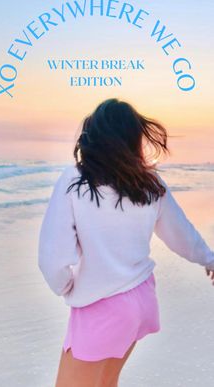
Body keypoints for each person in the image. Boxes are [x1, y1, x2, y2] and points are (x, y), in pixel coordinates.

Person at [38, 98, 214, 387]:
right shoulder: (149, 183)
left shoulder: (75, 180)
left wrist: (64, 285)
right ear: (133, 138)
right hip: (141, 299)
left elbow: (52, 257)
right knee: (106, 383)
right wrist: (209, 259)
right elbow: (181, 234)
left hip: (100, 309)